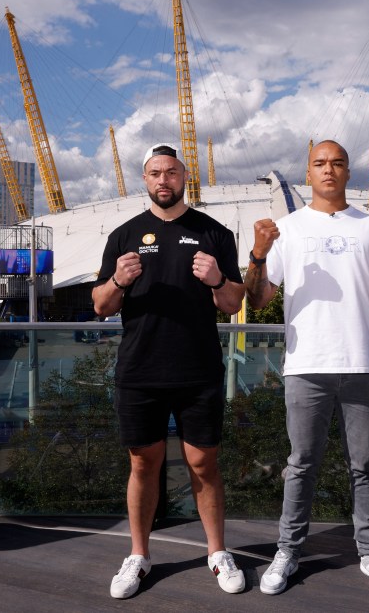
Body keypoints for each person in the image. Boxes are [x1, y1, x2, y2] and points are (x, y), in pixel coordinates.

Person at [245, 140, 369, 598]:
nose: (329, 171)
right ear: (309, 172)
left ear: (348, 172)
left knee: (364, 464)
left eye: (337, 163)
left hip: (361, 362)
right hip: (305, 364)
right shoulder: (288, 229)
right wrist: (259, 254)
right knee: (301, 464)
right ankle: (287, 551)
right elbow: (259, 298)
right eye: (320, 164)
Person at [91, 143, 247, 599]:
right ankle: (138, 555)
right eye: (156, 173)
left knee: (204, 463)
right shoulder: (123, 235)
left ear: (184, 178)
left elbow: (234, 302)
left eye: (173, 173)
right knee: (143, 463)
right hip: (140, 370)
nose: (165, 180)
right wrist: (119, 279)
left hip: (198, 370)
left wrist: (217, 279)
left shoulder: (214, 233)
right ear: (146, 179)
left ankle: (217, 552)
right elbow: (101, 306)